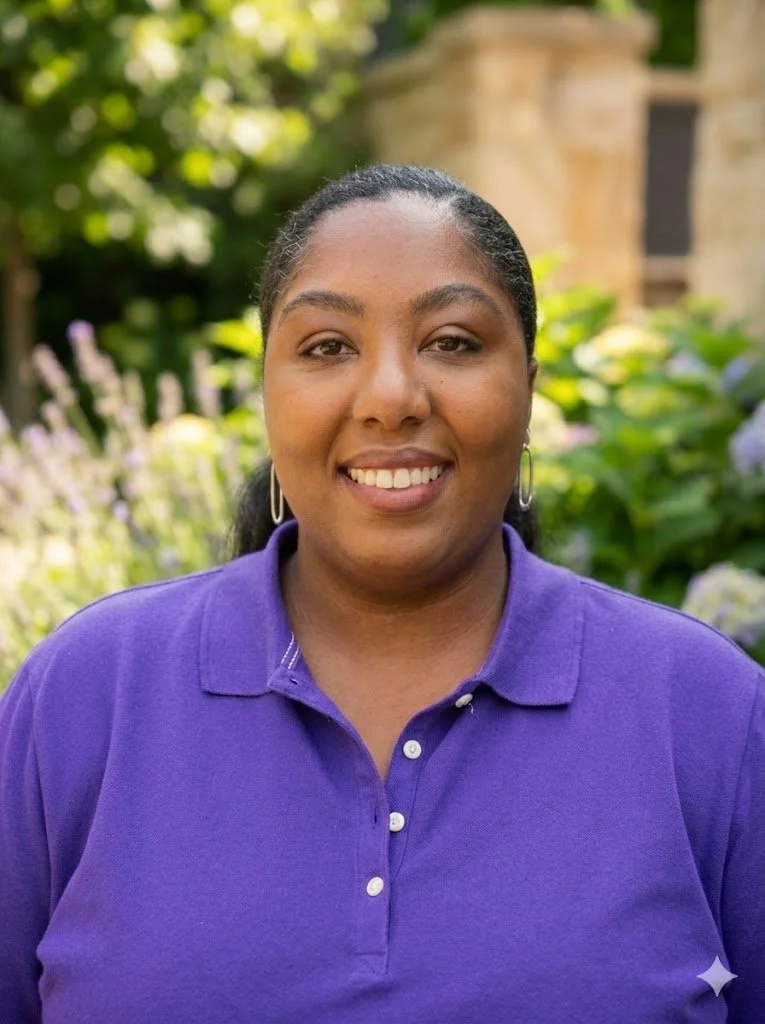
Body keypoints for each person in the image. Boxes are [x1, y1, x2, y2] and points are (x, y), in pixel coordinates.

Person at [0, 165, 762, 1024]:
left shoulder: (708, 714)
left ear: (529, 386)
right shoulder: (86, 695)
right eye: (327, 347)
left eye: (452, 341)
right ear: (267, 392)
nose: (391, 398)